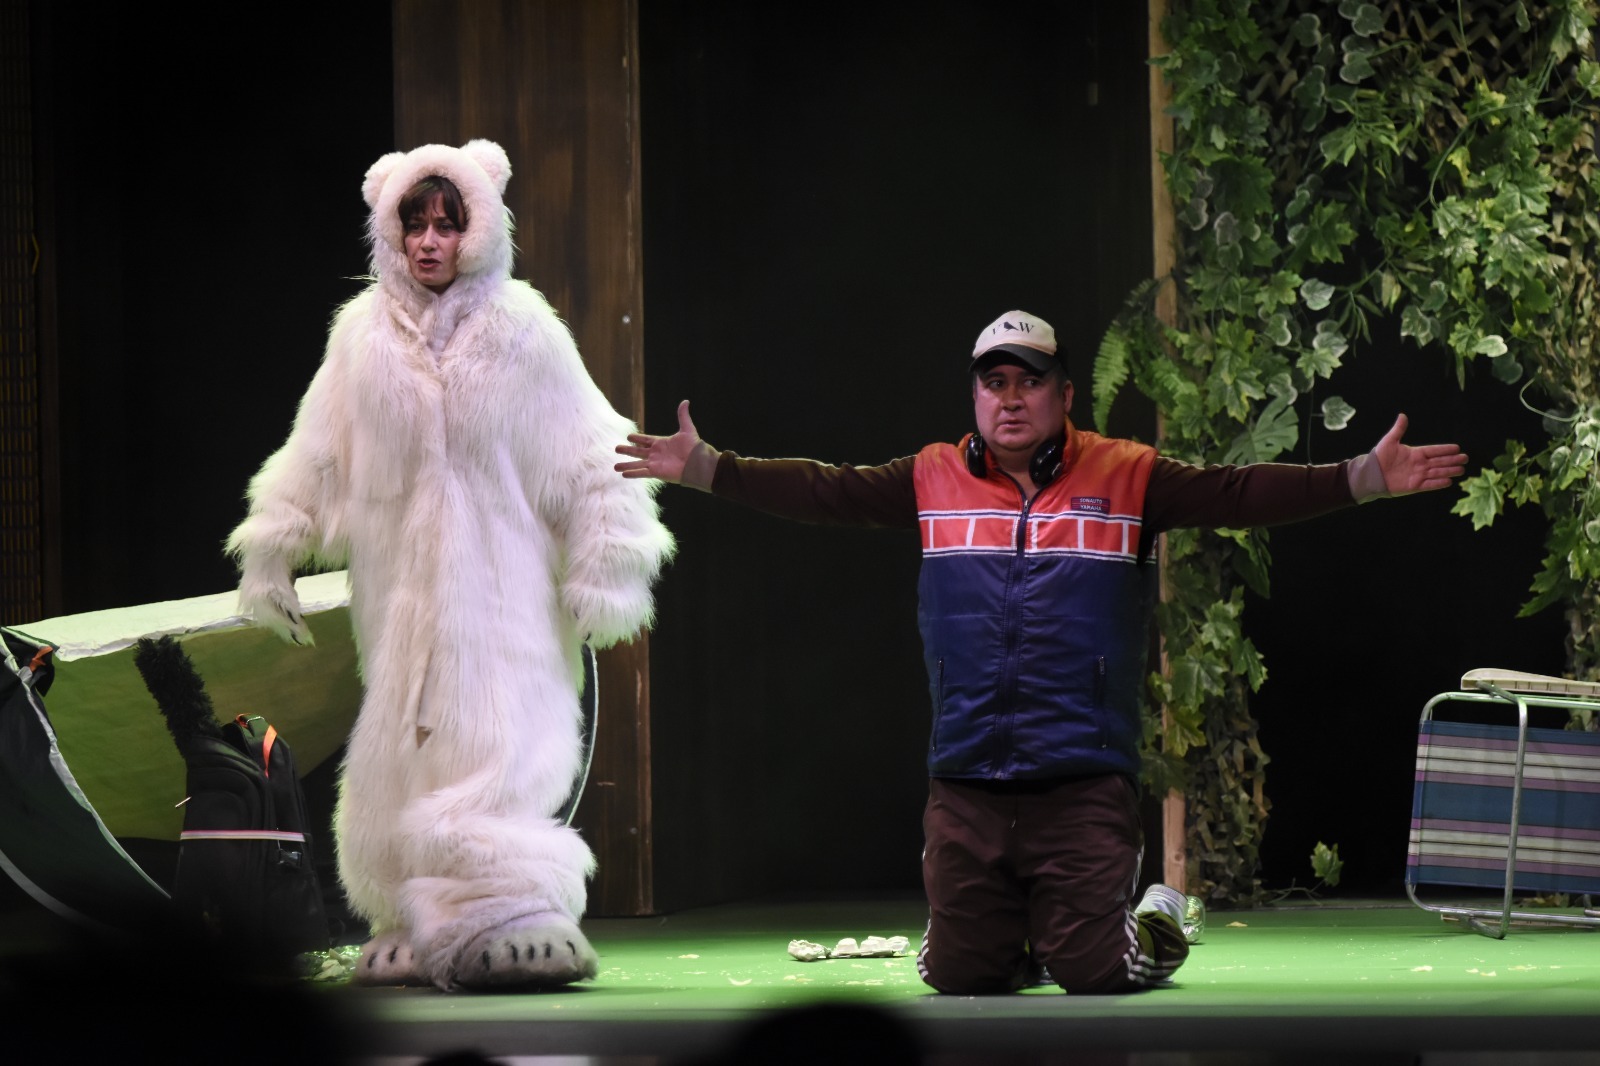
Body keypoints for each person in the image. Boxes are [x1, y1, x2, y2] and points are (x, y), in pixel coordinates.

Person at [615, 309, 1466, 994]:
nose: (1011, 399)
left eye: (1030, 382)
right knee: (956, 977)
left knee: (1097, 973)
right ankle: (1007, 938)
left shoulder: (1128, 475)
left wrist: (1363, 476)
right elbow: (826, 489)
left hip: (1081, 779)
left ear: (1064, 394)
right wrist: (710, 468)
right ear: (975, 396)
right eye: (995, 383)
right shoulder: (931, 477)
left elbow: (1235, 492)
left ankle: (1161, 915)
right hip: (968, 778)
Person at [228, 140, 674, 990]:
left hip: (505, 603)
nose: (430, 241)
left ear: (481, 228)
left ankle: (515, 913)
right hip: (400, 608)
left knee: (499, 747)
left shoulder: (524, 331)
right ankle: (407, 914)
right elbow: (315, 453)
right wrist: (273, 547)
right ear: (389, 230)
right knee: (401, 752)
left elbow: (596, 452)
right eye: (415, 224)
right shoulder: (360, 339)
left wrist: (607, 563)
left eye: (448, 223)